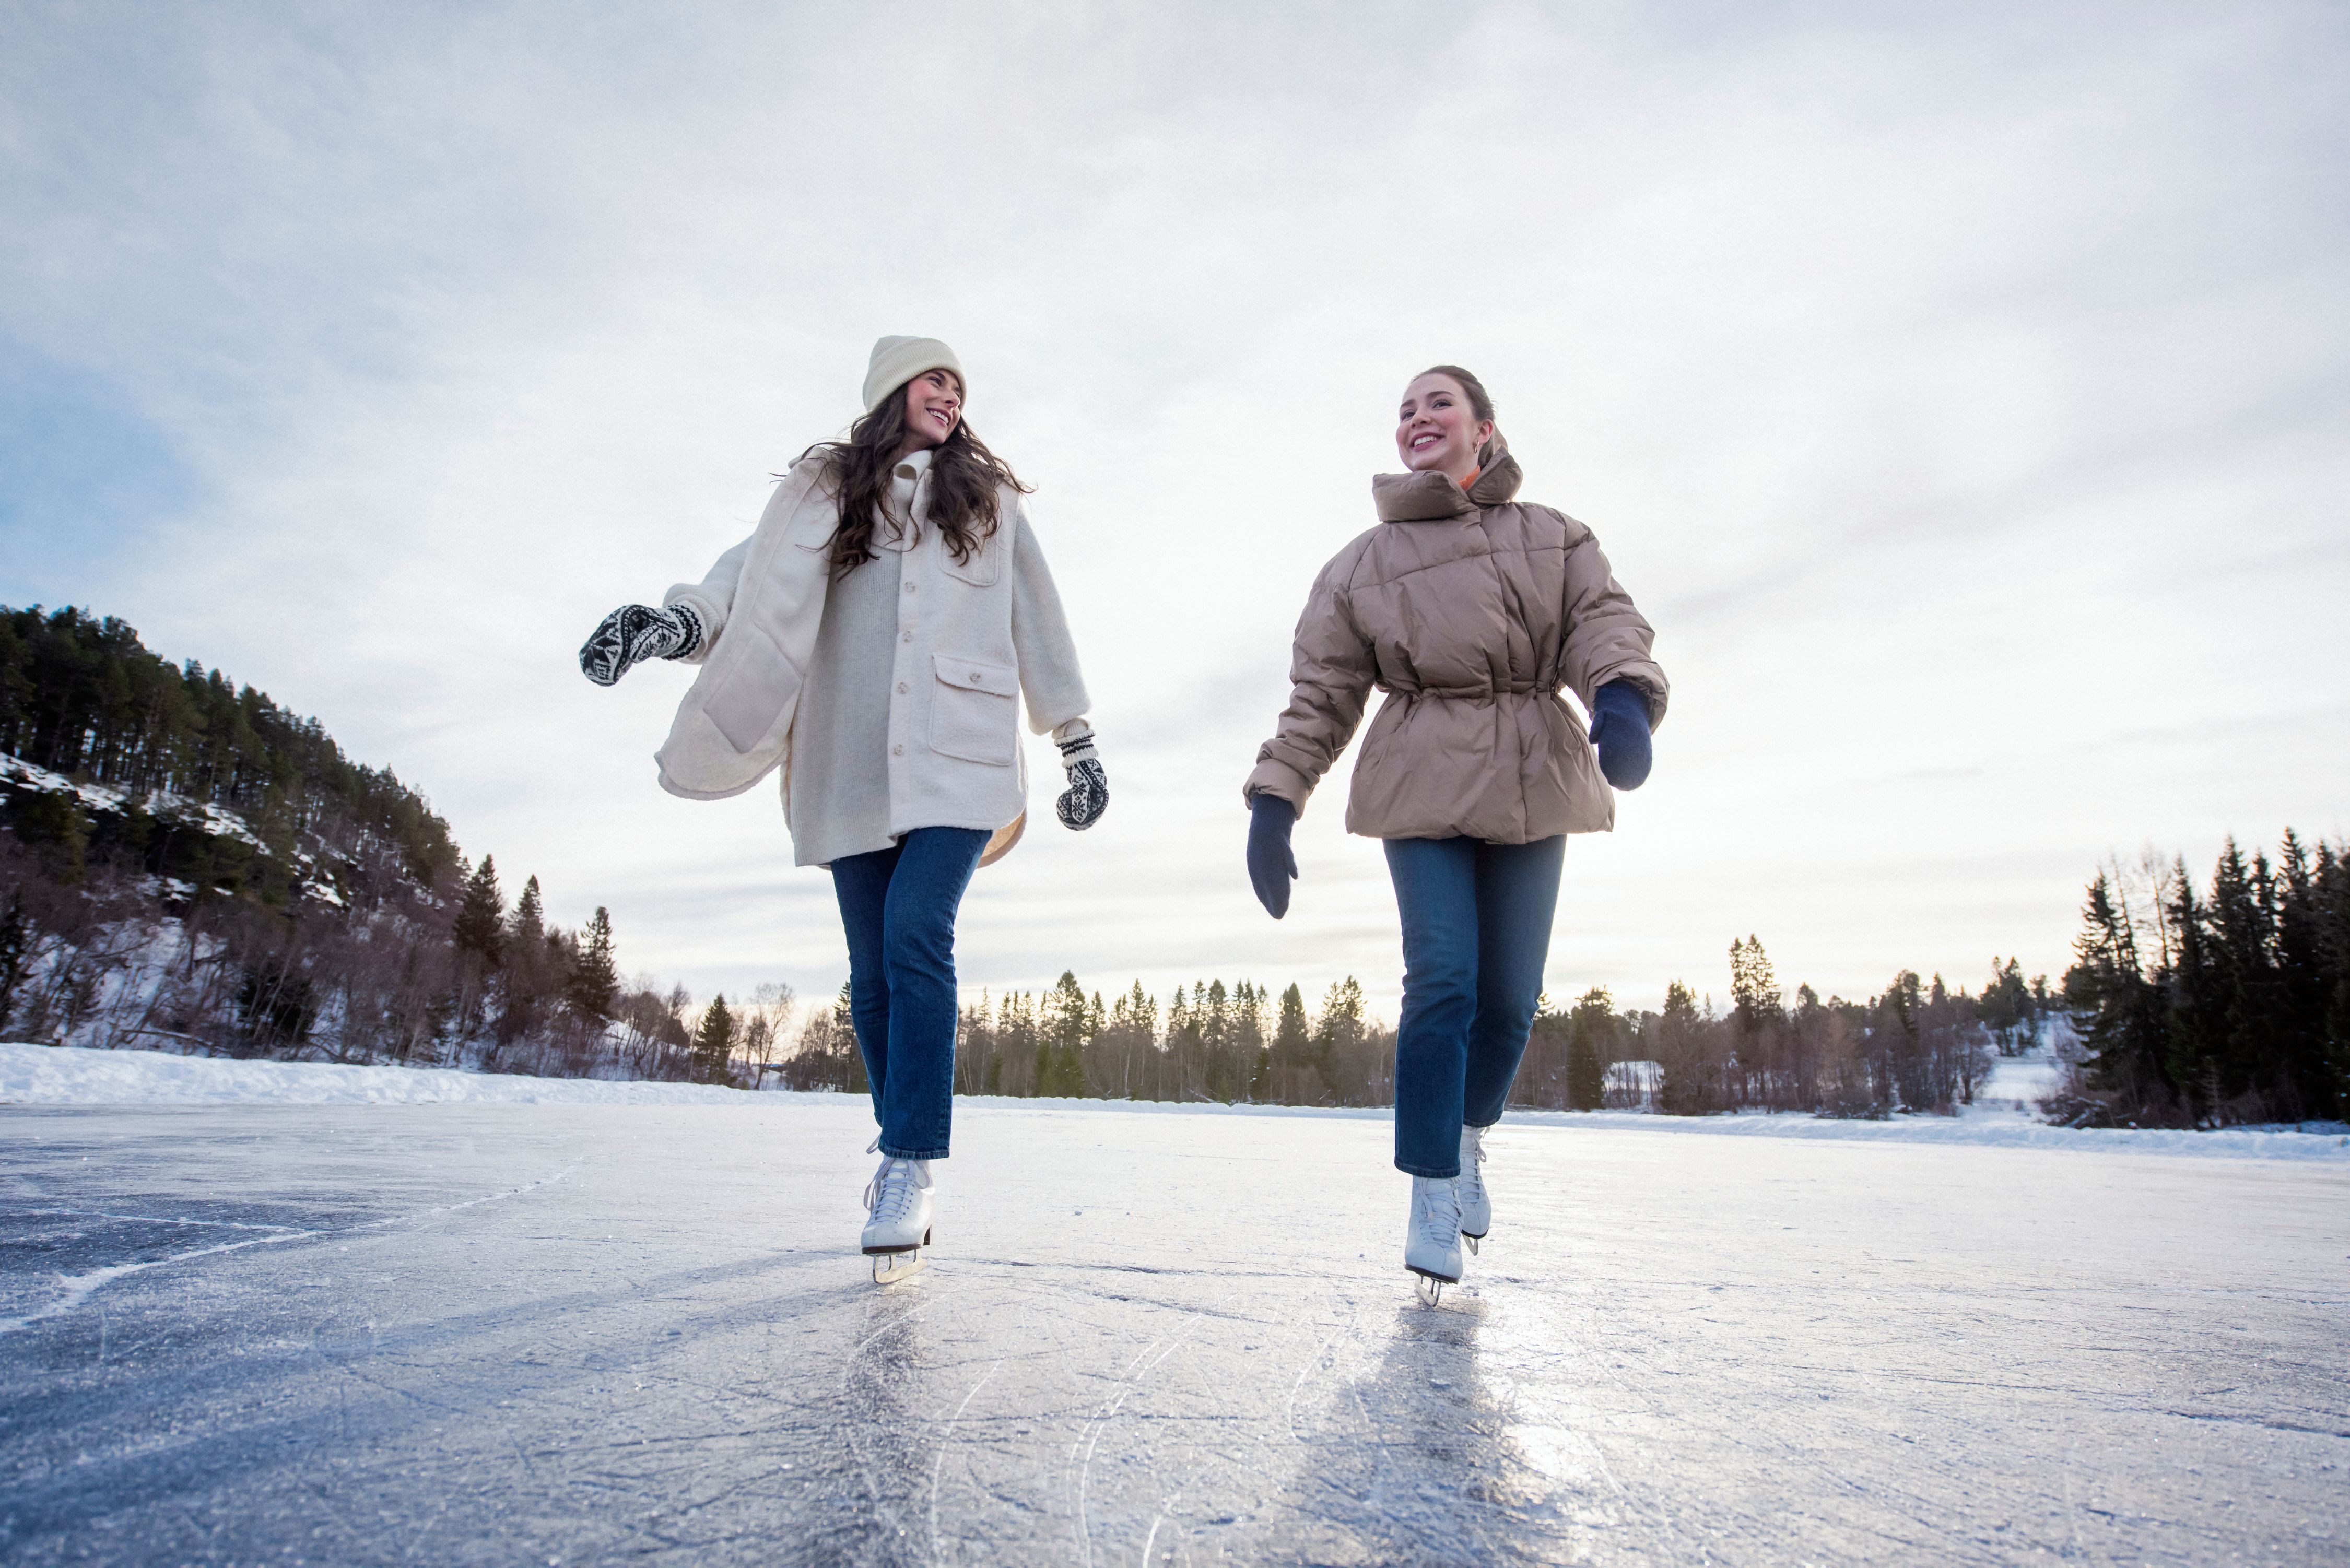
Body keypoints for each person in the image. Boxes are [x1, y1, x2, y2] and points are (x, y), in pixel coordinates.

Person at [580, 335, 1106, 1282]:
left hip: (962, 756)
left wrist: (1075, 739)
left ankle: (911, 1166)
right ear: (890, 392)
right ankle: (894, 1139)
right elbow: (749, 579)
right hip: (848, 752)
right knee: (870, 978)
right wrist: (674, 624)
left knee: (916, 935)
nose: (949, 394)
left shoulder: (989, 501)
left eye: (958, 385)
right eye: (932, 378)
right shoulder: (825, 493)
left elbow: (1040, 617)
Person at [1242, 364, 1667, 1303]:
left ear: (1485, 428)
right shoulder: (1361, 563)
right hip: (1420, 775)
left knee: (1512, 1000)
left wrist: (1625, 700)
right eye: (1403, 410)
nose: (1417, 419)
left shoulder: (1556, 536)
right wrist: (1277, 800)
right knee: (1445, 975)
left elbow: (1603, 624)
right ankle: (1430, 1186)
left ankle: (1469, 1137)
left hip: (1535, 776)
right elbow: (1322, 695)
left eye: (1438, 403)